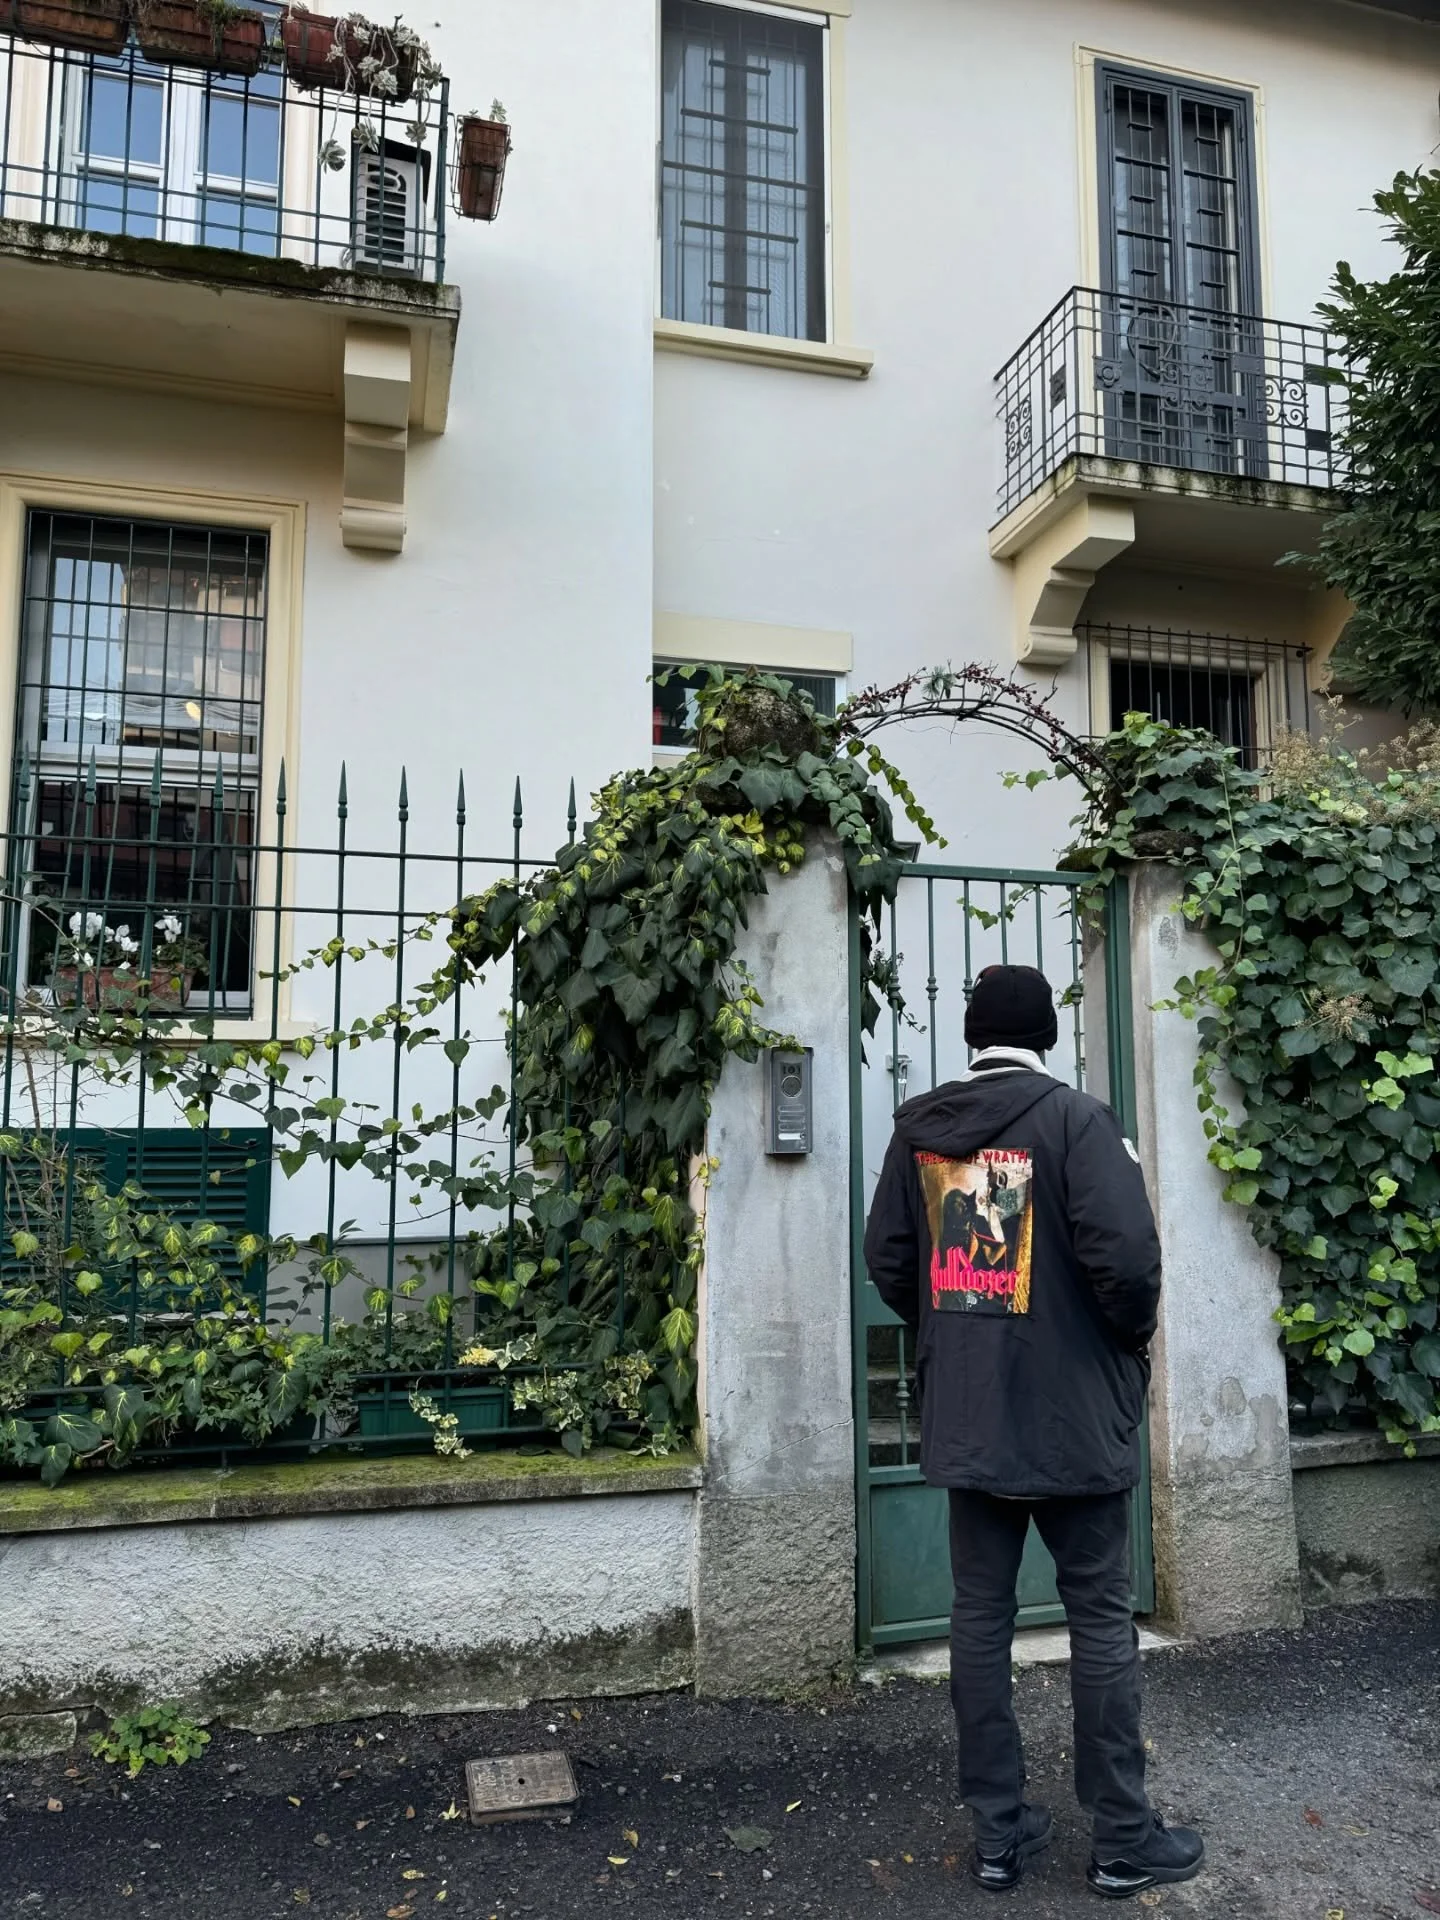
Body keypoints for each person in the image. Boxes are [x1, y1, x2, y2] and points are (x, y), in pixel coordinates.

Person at [863, 963, 1204, 1900]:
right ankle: (1122, 1839)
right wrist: (1123, 1343)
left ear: (972, 1034)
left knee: (979, 1617)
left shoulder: (920, 1130)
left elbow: (889, 1259)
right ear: (1047, 1035)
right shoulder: (1078, 1122)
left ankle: (998, 1836)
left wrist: (952, 1337)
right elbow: (1127, 1263)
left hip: (971, 1415)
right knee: (1098, 1616)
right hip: (1071, 1417)